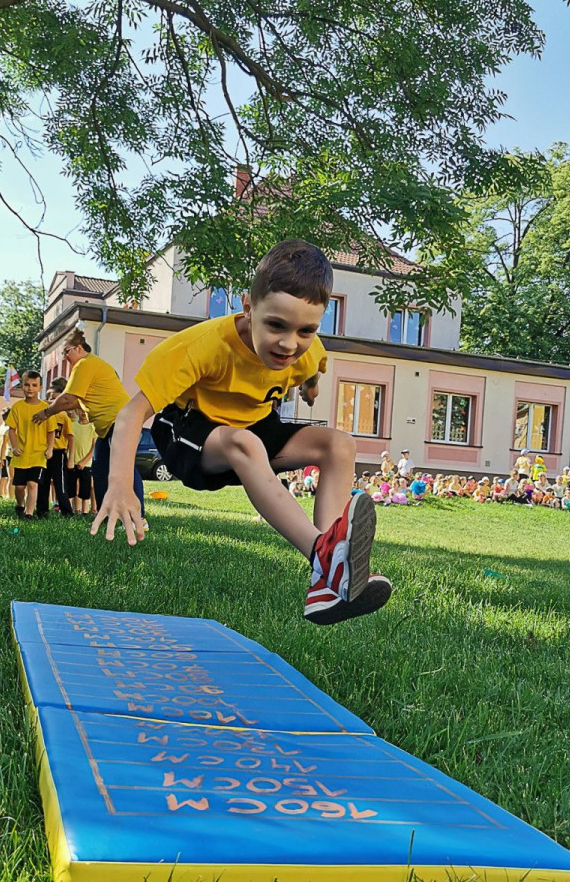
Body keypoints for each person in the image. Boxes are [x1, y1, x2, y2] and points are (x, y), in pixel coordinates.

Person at [90, 239, 392, 624]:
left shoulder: (306, 351)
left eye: (305, 331)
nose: (289, 343)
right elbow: (131, 415)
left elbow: (313, 369)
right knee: (245, 442)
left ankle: (329, 577)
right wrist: (119, 484)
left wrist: (310, 387)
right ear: (249, 307)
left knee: (339, 444)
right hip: (190, 434)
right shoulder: (200, 348)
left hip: (255, 427)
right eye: (276, 326)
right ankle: (324, 557)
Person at [32, 329, 144, 516]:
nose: (65, 357)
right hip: (108, 428)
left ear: (79, 348)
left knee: (126, 470)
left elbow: (68, 399)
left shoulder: (85, 364)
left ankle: (139, 518)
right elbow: (75, 401)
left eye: (66, 351)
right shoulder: (90, 365)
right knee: (100, 472)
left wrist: (46, 412)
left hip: (121, 423)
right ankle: (106, 514)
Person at [6, 370, 57, 519]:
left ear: (40, 388)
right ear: (22, 386)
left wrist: (49, 448)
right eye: (27, 385)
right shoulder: (17, 407)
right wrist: (15, 446)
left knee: (32, 484)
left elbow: (51, 431)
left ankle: (29, 514)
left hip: (38, 454)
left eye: (34, 385)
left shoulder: (45, 408)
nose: (30, 388)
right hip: (21, 454)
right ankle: (20, 505)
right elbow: (12, 430)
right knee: (20, 487)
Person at [36, 378, 74, 518]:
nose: (52, 401)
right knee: (42, 482)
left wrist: (71, 459)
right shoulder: (42, 415)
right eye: (50, 398)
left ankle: (67, 512)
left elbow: (71, 438)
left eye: (56, 399)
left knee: (60, 484)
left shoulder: (64, 417)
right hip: (43, 453)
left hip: (59, 454)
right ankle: (41, 511)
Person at [69, 409, 96, 515]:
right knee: (72, 487)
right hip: (73, 462)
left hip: (86, 464)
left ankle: (85, 511)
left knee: (85, 489)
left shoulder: (92, 427)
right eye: (80, 410)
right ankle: (75, 509)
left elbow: (94, 447)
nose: (83, 413)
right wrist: (71, 459)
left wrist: (84, 462)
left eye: (85, 410)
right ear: (76, 410)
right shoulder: (72, 425)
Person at [0, 408, 13, 499]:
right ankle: (8, 496)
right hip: (7, 454)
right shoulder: (6, 429)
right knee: (8, 477)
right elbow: (2, 445)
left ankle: (8, 495)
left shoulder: (7, 427)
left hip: (9, 454)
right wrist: (0, 457)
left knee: (8, 477)